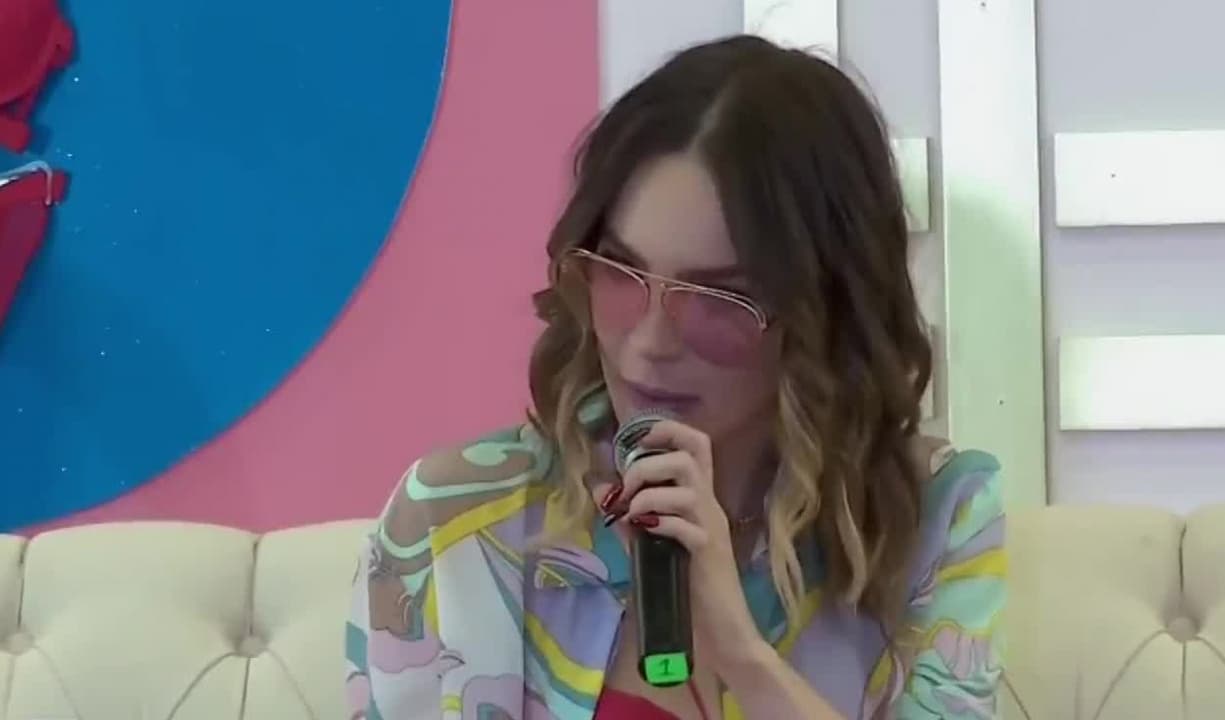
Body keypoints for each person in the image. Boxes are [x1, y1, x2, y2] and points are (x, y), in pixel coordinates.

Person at [345, 34, 1005, 720]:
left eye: (717, 300)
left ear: (825, 314)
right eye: (621, 275)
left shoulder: (936, 518)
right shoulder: (453, 521)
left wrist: (742, 655)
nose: (651, 344)